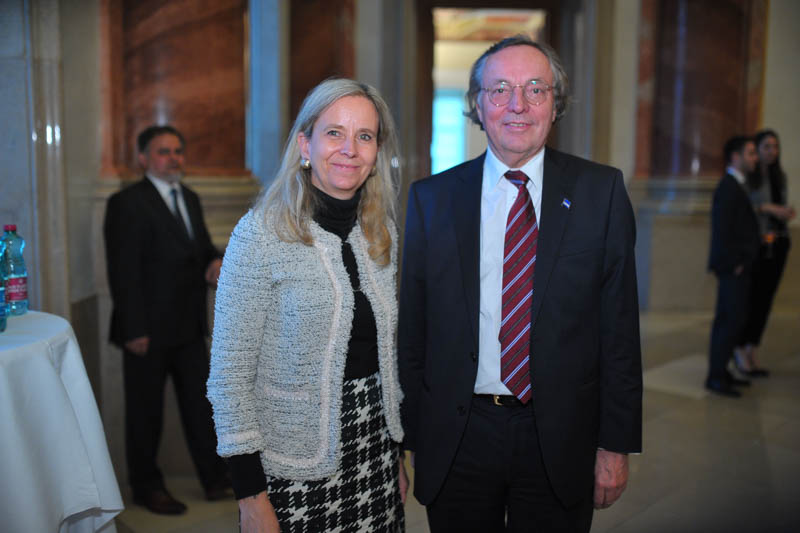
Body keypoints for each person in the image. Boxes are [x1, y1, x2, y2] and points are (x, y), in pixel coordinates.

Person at [398, 35, 642, 532]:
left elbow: (619, 331)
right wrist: (410, 438)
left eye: (535, 89)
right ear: (478, 104)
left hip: (561, 437)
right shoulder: (432, 199)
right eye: (500, 89)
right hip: (459, 435)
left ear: (556, 104)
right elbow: (414, 331)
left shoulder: (601, 193)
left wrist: (615, 443)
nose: (518, 105)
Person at [207, 78, 407, 532]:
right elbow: (229, 376)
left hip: (374, 451)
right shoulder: (261, 233)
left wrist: (395, 453)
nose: (349, 149)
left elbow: (383, 357)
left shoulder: (381, 233)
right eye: (334, 132)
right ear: (305, 144)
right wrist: (250, 497)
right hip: (292, 464)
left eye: (364, 136)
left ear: (376, 152)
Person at [104, 125, 230, 514]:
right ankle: (146, 487)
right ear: (143, 158)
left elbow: (201, 248)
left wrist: (214, 261)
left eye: (178, 151)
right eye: (163, 152)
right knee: (146, 414)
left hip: (188, 327)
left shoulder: (189, 197)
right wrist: (134, 329)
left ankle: (214, 479)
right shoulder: (127, 203)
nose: (173, 158)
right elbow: (122, 271)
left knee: (200, 407)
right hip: (146, 331)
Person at [736, 129, 795, 376]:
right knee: (752, 298)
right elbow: (744, 206)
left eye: (775, 147)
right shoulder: (750, 177)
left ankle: (753, 349)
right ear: (757, 150)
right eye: (766, 147)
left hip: (778, 241)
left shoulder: (780, 176)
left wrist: (785, 212)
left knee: (766, 301)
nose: (772, 151)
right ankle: (740, 348)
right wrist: (767, 208)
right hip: (758, 244)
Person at [706, 135, 761, 397]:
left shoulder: (737, 185)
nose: (755, 158)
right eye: (751, 153)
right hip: (733, 268)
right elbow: (723, 230)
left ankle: (723, 371)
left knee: (734, 320)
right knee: (729, 321)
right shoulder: (728, 187)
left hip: (738, 266)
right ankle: (716, 377)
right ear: (735, 157)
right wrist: (734, 263)